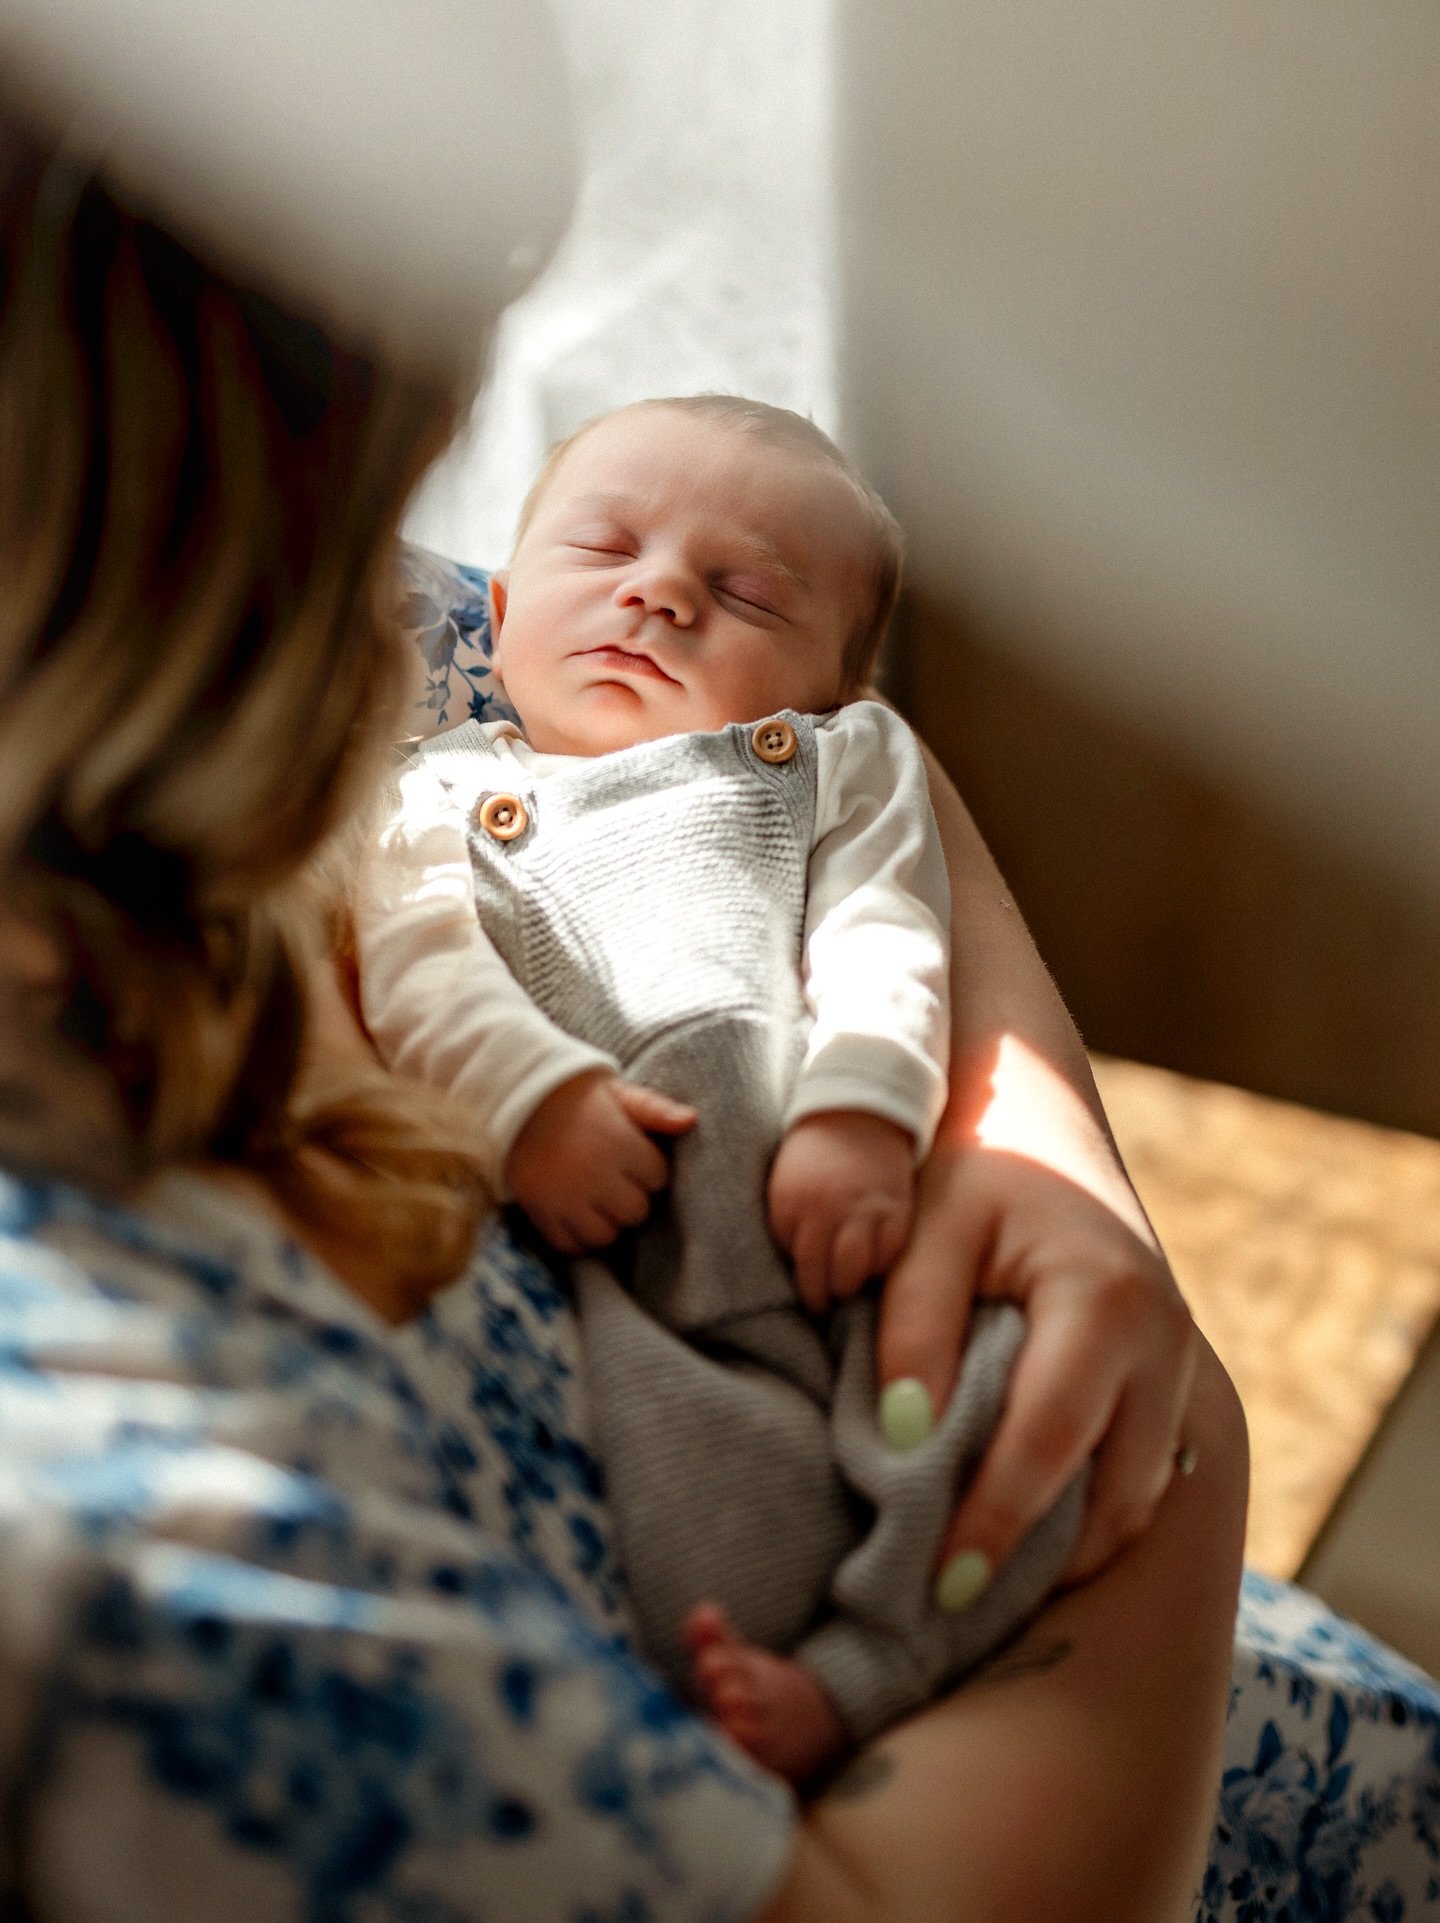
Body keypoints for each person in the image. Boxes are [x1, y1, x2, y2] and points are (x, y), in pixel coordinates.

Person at [0, 6, 1432, 1919]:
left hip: (1234, 1715)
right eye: (389, 457)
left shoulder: (247, 654)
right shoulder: (127, 1545)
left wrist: (1024, 1151)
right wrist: (1161, 1468)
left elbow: (825, 768)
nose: (398, 609)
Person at [356, 392, 1084, 1784]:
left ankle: (872, 1668)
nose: (658, 593)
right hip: (626, 1233)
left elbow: (886, 935)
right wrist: (534, 1100)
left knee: (1002, 1417)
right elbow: (419, 965)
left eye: (743, 591)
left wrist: (864, 1114)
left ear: (831, 689)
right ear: (501, 613)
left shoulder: (835, 766)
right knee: (701, 1499)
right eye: (604, 549)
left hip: (844, 1209)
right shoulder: (437, 789)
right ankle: (782, 1686)